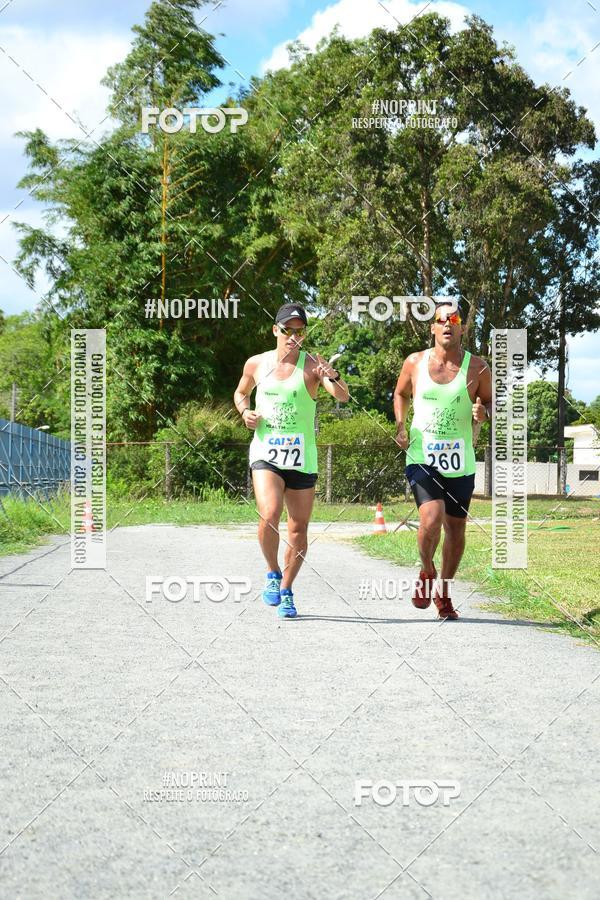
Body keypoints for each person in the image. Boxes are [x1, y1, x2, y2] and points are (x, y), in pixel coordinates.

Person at [234, 303, 349, 618]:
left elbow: (342, 395)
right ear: (276, 330)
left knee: (298, 529)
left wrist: (333, 374)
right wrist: (245, 412)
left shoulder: (313, 366)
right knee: (269, 513)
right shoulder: (257, 363)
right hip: (266, 453)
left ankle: (286, 588)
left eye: (299, 331)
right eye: (287, 330)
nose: (293, 336)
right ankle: (272, 573)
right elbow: (241, 392)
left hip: (302, 458)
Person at [393, 300, 492, 619]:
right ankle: (426, 570)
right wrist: (400, 424)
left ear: (463, 327)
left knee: (456, 529)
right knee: (431, 519)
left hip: (460, 461)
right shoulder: (414, 362)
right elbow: (400, 394)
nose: (448, 323)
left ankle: (445, 593)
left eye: (454, 318)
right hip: (423, 457)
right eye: (441, 319)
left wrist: (484, 412)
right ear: (433, 328)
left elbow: (491, 404)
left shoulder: (478, 367)